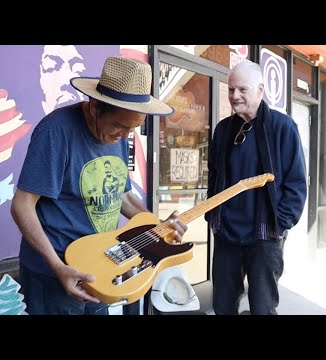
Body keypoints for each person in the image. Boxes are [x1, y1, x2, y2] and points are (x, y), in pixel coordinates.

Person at [10, 56, 188, 315]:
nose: (125, 137)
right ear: (95, 107)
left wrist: (159, 228)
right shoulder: (56, 131)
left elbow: (123, 197)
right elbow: (21, 206)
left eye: (133, 129)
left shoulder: (118, 133)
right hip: (52, 275)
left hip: (101, 266)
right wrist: (57, 266)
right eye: (119, 126)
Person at [206, 61, 307, 315]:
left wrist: (280, 223)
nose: (234, 96)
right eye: (230, 90)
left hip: (264, 238)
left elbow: (296, 184)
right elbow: (215, 176)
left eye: (242, 89)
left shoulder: (283, 127)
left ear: (260, 90)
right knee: (222, 306)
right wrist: (213, 217)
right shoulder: (223, 129)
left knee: (262, 308)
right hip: (227, 235)